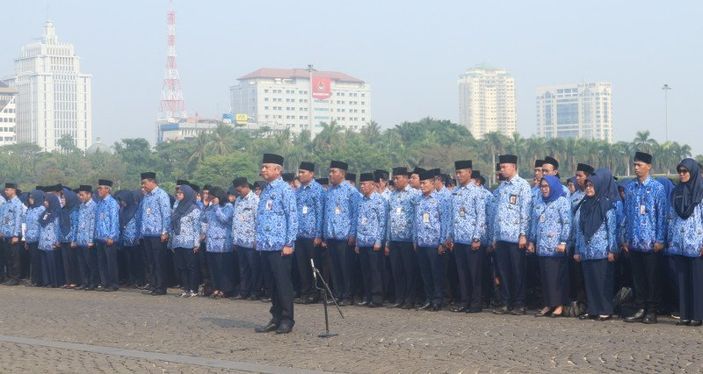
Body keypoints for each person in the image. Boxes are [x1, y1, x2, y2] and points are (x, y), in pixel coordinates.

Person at [254, 153, 298, 334]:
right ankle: (276, 316)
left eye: (267, 167)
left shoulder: (285, 190)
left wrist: (289, 242)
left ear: (277, 170)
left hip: (280, 246)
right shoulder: (266, 190)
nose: (263, 170)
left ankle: (287, 319)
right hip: (265, 244)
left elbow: (292, 217)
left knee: (282, 283)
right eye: (262, 166)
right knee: (270, 284)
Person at [622, 152, 666, 324]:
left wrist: (660, 240)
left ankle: (652, 310)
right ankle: (640, 308)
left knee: (651, 278)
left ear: (649, 166)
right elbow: (627, 215)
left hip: (651, 242)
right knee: (638, 278)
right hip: (634, 241)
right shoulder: (630, 187)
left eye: (639, 165)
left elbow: (661, 215)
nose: (636, 168)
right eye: (635, 165)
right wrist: (625, 237)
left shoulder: (657, 188)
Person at [573, 169, 618, 321]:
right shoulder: (584, 204)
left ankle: (605, 309)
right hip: (587, 251)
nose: (589, 189)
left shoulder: (606, 204)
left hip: (602, 250)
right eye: (587, 186)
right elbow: (579, 229)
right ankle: (593, 308)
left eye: (592, 186)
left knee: (602, 282)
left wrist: (612, 249)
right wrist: (578, 250)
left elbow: (612, 229)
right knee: (590, 281)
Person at [492, 154, 532, 315]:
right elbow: (497, 214)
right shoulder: (501, 187)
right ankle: (505, 302)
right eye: (500, 167)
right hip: (502, 237)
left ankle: (519, 303)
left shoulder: (523, 186)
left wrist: (523, 234)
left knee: (517, 271)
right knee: (503, 271)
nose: (502, 170)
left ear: (513, 167)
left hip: (516, 237)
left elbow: (525, 212)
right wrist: (495, 237)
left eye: (504, 167)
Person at [446, 160, 486, 313]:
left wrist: (476, 238)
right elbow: (451, 216)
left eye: (461, 172)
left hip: (471, 239)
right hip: (458, 239)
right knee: (462, 273)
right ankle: (465, 301)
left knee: (474, 274)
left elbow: (481, 216)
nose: (458, 175)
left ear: (469, 172)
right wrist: (450, 236)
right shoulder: (455, 192)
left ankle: (476, 303)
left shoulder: (476, 192)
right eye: (457, 173)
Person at [528, 176, 571, 317]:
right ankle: (548, 303)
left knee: (556, 277)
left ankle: (558, 305)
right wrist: (532, 241)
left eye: (547, 186)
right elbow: (535, 222)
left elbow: (567, 223)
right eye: (542, 186)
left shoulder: (562, 201)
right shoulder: (539, 202)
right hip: (542, 246)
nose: (544, 189)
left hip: (556, 247)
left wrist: (563, 242)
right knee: (545, 277)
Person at [669, 159, 703, 326]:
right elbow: (671, 218)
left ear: (693, 172)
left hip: (696, 244)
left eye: (685, 171)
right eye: (680, 171)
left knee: (697, 281)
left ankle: (697, 315)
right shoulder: (676, 192)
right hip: (678, 243)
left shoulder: (701, 192)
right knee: (681, 280)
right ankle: (685, 315)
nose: (682, 174)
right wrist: (670, 240)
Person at [322, 160, 360, 305]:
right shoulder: (329, 191)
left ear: (342, 174)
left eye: (334, 172)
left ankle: (348, 295)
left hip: (345, 236)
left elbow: (356, 214)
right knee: (334, 267)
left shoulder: (352, 191)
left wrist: (353, 233)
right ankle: (337, 294)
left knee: (346, 267)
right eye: (330, 171)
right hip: (331, 235)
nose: (330, 174)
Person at [414, 169, 450, 311]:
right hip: (422, 242)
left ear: (433, 183)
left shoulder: (440, 200)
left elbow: (445, 222)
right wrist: (415, 239)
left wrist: (442, 242)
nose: (422, 186)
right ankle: (429, 298)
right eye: (421, 183)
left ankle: (438, 299)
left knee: (436, 273)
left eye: (424, 183)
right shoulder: (418, 200)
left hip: (435, 243)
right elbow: (416, 222)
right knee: (425, 273)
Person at [386, 167, 419, 309]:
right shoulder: (392, 195)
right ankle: (399, 298)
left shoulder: (414, 194)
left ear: (406, 178)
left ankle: (410, 299)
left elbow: (418, 217)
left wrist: (415, 239)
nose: (395, 181)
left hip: (407, 239)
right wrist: (387, 240)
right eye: (394, 178)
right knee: (397, 270)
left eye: (398, 178)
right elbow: (389, 218)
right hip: (394, 239)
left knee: (409, 271)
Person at [294, 161, 325, 304]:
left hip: (312, 235)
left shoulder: (318, 190)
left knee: (313, 266)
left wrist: (319, 234)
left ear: (311, 174)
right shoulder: (298, 191)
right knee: (301, 266)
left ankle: (315, 292)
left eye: (303, 172)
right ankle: (304, 292)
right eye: (299, 172)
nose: (300, 175)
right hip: (299, 235)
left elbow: (320, 213)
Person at [355, 172, 387, 307]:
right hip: (362, 241)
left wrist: (379, 241)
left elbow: (382, 222)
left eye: (364, 184)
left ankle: (377, 297)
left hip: (374, 242)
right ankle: (367, 296)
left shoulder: (379, 200)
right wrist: (357, 242)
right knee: (365, 271)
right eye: (361, 184)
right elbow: (358, 222)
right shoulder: (361, 201)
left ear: (373, 185)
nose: (362, 187)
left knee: (375, 271)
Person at [139, 172, 172, 296]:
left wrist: (165, 231)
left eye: (145, 183)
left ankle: (161, 287)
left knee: (159, 261)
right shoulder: (146, 196)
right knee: (150, 262)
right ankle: (153, 284)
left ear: (152, 182)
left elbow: (166, 214)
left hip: (158, 234)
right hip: (147, 234)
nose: (143, 186)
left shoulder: (161, 195)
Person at [169, 184, 201, 298]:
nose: (178, 195)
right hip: (178, 241)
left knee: (191, 266)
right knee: (181, 266)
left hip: (189, 242)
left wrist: (196, 243)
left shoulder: (194, 209)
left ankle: (193, 288)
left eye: (181, 193)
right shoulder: (177, 208)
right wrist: (171, 242)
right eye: (177, 193)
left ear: (187, 194)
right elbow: (172, 226)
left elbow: (197, 227)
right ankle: (185, 288)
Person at [204, 186, 235, 298]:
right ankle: (216, 288)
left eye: (212, 196)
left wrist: (217, 207)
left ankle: (225, 289)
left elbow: (224, 219)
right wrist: (209, 206)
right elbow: (204, 219)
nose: (210, 198)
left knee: (223, 267)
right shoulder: (211, 207)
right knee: (214, 268)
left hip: (223, 243)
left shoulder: (228, 206)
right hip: (211, 243)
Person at [232, 177, 260, 300]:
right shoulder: (238, 200)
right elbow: (235, 220)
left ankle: (255, 292)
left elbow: (259, 221)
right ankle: (244, 291)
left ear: (245, 187)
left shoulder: (255, 200)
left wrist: (257, 239)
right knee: (243, 268)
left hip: (251, 240)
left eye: (239, 190)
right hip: (240, 240)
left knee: (254, 268)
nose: (238, 193)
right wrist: (235, 239)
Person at [95, 179, 121, 292]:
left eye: (101, 188)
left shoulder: (112, 203)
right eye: (98, 188)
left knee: (111, 262)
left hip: (109, 238)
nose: (99, 191)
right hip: (100, 237)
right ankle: (104, 283)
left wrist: (112, 236)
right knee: (102, 262)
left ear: (107, 189)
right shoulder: (100, 203)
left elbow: (115, 221)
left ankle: (113, 284)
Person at [115, 190, 144, 287]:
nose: (121, 202)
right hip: (125, 240)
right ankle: (130, 280)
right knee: (128, 261)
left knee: (136, 261)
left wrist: (138, 237)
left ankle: (138, 280)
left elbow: (139, 223)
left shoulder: (136, 209)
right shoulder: (122, 210)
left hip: (135, 240)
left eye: (122, 200)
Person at [73, 185, 98, 290]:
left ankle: (93, 283)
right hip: (80, 239)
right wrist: (74, 239)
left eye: (82, 195)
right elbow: (77, 223)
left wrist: (91, 240)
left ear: (89, 194)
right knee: (82, 263)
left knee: (90, 263)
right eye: (79, 195)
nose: (80, 197)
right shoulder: (81, 206)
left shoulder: (94, 206)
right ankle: (84, 282)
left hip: (88, 240)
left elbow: (94, 224)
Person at [0, 182, 24, 285]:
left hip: (13, 235)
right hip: (5, 234)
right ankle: (9, 277)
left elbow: (18, 220)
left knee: (14, 258)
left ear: (13, 190)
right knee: (8, 257)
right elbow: (2, 218)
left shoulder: (17, 204)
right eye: (5, 190)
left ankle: (15, 278)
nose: (6, 191)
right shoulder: (6, 203)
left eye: (7, 190)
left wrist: (15, 235)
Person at [39, 194, 62, 288]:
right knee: (44, 263)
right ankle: (46, 281)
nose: (45, 202)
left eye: (47, 201)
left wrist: (57, 241)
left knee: (52, 263)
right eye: (44, 200)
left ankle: (54, 282)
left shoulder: (56, 213)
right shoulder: (44, 213)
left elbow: (58, 228)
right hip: (43, 242)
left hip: (51, 242)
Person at [24, 189, 46, 287]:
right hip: (30, 238)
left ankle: (38, 280)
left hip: (38, 238)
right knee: (32, 260)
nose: (30, 199)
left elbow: (42, 225)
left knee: (37, 260)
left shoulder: (41, 209)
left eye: (32, 197)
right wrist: (26, 240)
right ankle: (33, 279)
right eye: (29, 197)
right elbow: (26, 224)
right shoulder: (30, 209)